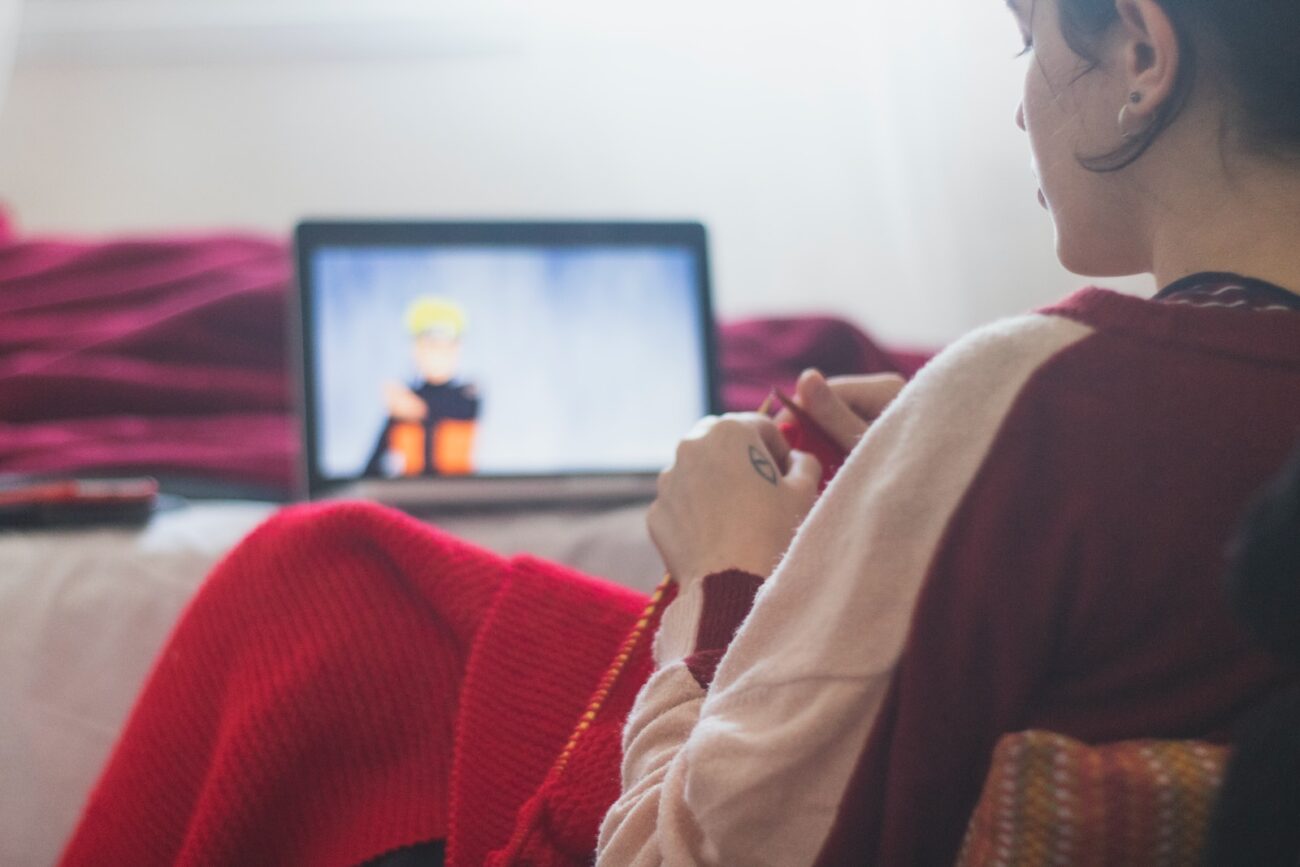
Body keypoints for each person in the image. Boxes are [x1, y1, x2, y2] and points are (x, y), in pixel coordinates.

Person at [58, 0, 1300, 864]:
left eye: (1028, 42)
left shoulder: (1041, 391)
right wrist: (914, 499)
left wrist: (726, 567)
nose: (1020, 107)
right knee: (353, 579)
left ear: (1141, 49)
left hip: (707, 785)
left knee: (315, 583)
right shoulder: (1080, 411)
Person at [366, 297, 480, 477]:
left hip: (461, 492)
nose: (436, 353)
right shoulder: (403, 402)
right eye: (429, 345)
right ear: (416, 350)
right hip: (408, 494)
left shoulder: (467, 395)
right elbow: (371, 467)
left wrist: (415, 408)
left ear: (457, 348)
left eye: (444, 345)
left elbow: (454, 409)